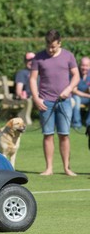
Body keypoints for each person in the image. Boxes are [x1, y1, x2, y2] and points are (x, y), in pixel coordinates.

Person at [29, 29, 79, 176]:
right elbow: (32, 79)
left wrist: (69, 89)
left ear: (60, 43)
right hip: (45, 102)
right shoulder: (38, 57)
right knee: (48, 135)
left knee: (64, 135)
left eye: (54, 47)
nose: (51, 49)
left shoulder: (68, 56)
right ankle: (49, 168)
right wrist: (36, 98)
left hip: (64, 101)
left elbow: (76, 75)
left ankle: (66, 168)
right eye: (48, 46)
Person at [71, 57, 90, 129]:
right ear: (79, 65)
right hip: (75, 96)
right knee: (76, 99)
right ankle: (77, 123)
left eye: (87, 66)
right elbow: (74, 91)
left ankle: (89, 123)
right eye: (83, 65)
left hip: (86, 97)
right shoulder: (75, 73)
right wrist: (88, 95)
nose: (84, 68)